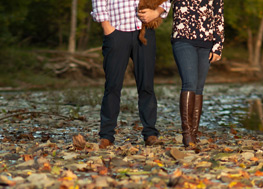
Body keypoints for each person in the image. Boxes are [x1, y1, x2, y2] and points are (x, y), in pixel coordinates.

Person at [92, 0, 170, 148]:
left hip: (144, 32)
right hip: (116, 32)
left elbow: (164, 1)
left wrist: (156, 13)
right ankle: (106, 135)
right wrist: (106, 27)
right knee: (112, 86)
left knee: (146, 85)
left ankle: (150, 134)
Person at [170, 0, 224, 149]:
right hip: (183, 38)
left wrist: (218, 46)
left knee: (199, 88)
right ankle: (187, 134)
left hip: (206, 42)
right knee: (189, 83)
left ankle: (194, 134)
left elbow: (218, 16)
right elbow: (162, 5)